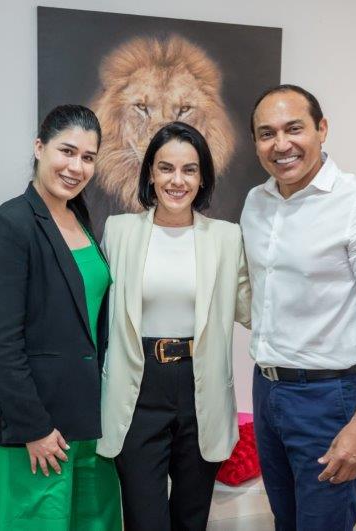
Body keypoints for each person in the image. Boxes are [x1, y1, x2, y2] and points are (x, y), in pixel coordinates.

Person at [241, 85, 356, 530]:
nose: (281, 144)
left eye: (294, 128)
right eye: (267, 134)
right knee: (285, 522)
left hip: (327, 397)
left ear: (321, 129)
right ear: (255, 143)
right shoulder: (256, 203)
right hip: (266, 390)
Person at [96, 122, 251, 531]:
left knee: (191, 519)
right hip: (137, 388)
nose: (177, 181)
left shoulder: (226, 238)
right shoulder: (119, 231)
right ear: (150, 173)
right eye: (166, 168)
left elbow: (253, 311)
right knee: (144, 520)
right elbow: (96, 311)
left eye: (189, 170)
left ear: (203, 178)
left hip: (201, 389)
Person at [0, 104, 121, 531]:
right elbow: (3, 344)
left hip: (87, 423)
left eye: (88, 157)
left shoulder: (79, 218)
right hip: (36, 431)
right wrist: (34, 428)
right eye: (66, 151)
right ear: (40, 148)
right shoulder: (11, 223)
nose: (76, 167)